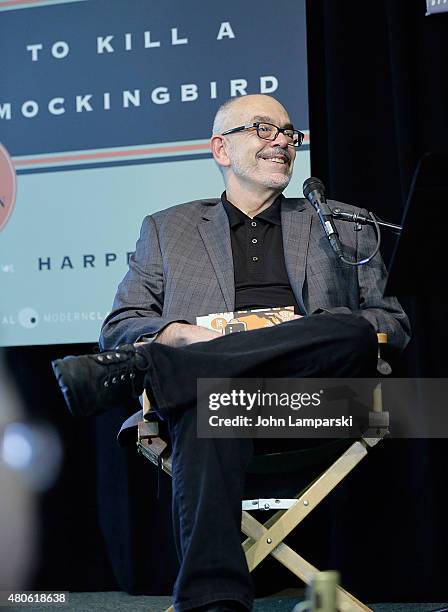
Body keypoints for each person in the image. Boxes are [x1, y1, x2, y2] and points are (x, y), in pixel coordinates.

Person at [52, 94, 410, 612]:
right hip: (220, 399)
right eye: (264, 129)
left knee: (347, 330)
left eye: (289, 132)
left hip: (317, 401)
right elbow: (120, 327)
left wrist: (265, 334)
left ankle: (162, 371)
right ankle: (212, 599)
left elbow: (391, 325)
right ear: (221, 148)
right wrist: (180, 335)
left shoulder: (345, 224)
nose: (283, 141)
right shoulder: (167, 229)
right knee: (209, 402)